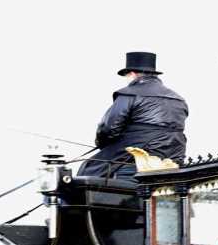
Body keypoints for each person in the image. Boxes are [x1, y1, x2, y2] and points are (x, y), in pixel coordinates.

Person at [78, 51, 188, 181]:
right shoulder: (179, 99)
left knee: (89, 169)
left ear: (132, 74)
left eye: (126, 75)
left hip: (137, 153)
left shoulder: (129, 94)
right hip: (173, 156)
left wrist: (101, 143)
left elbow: (108, 128)